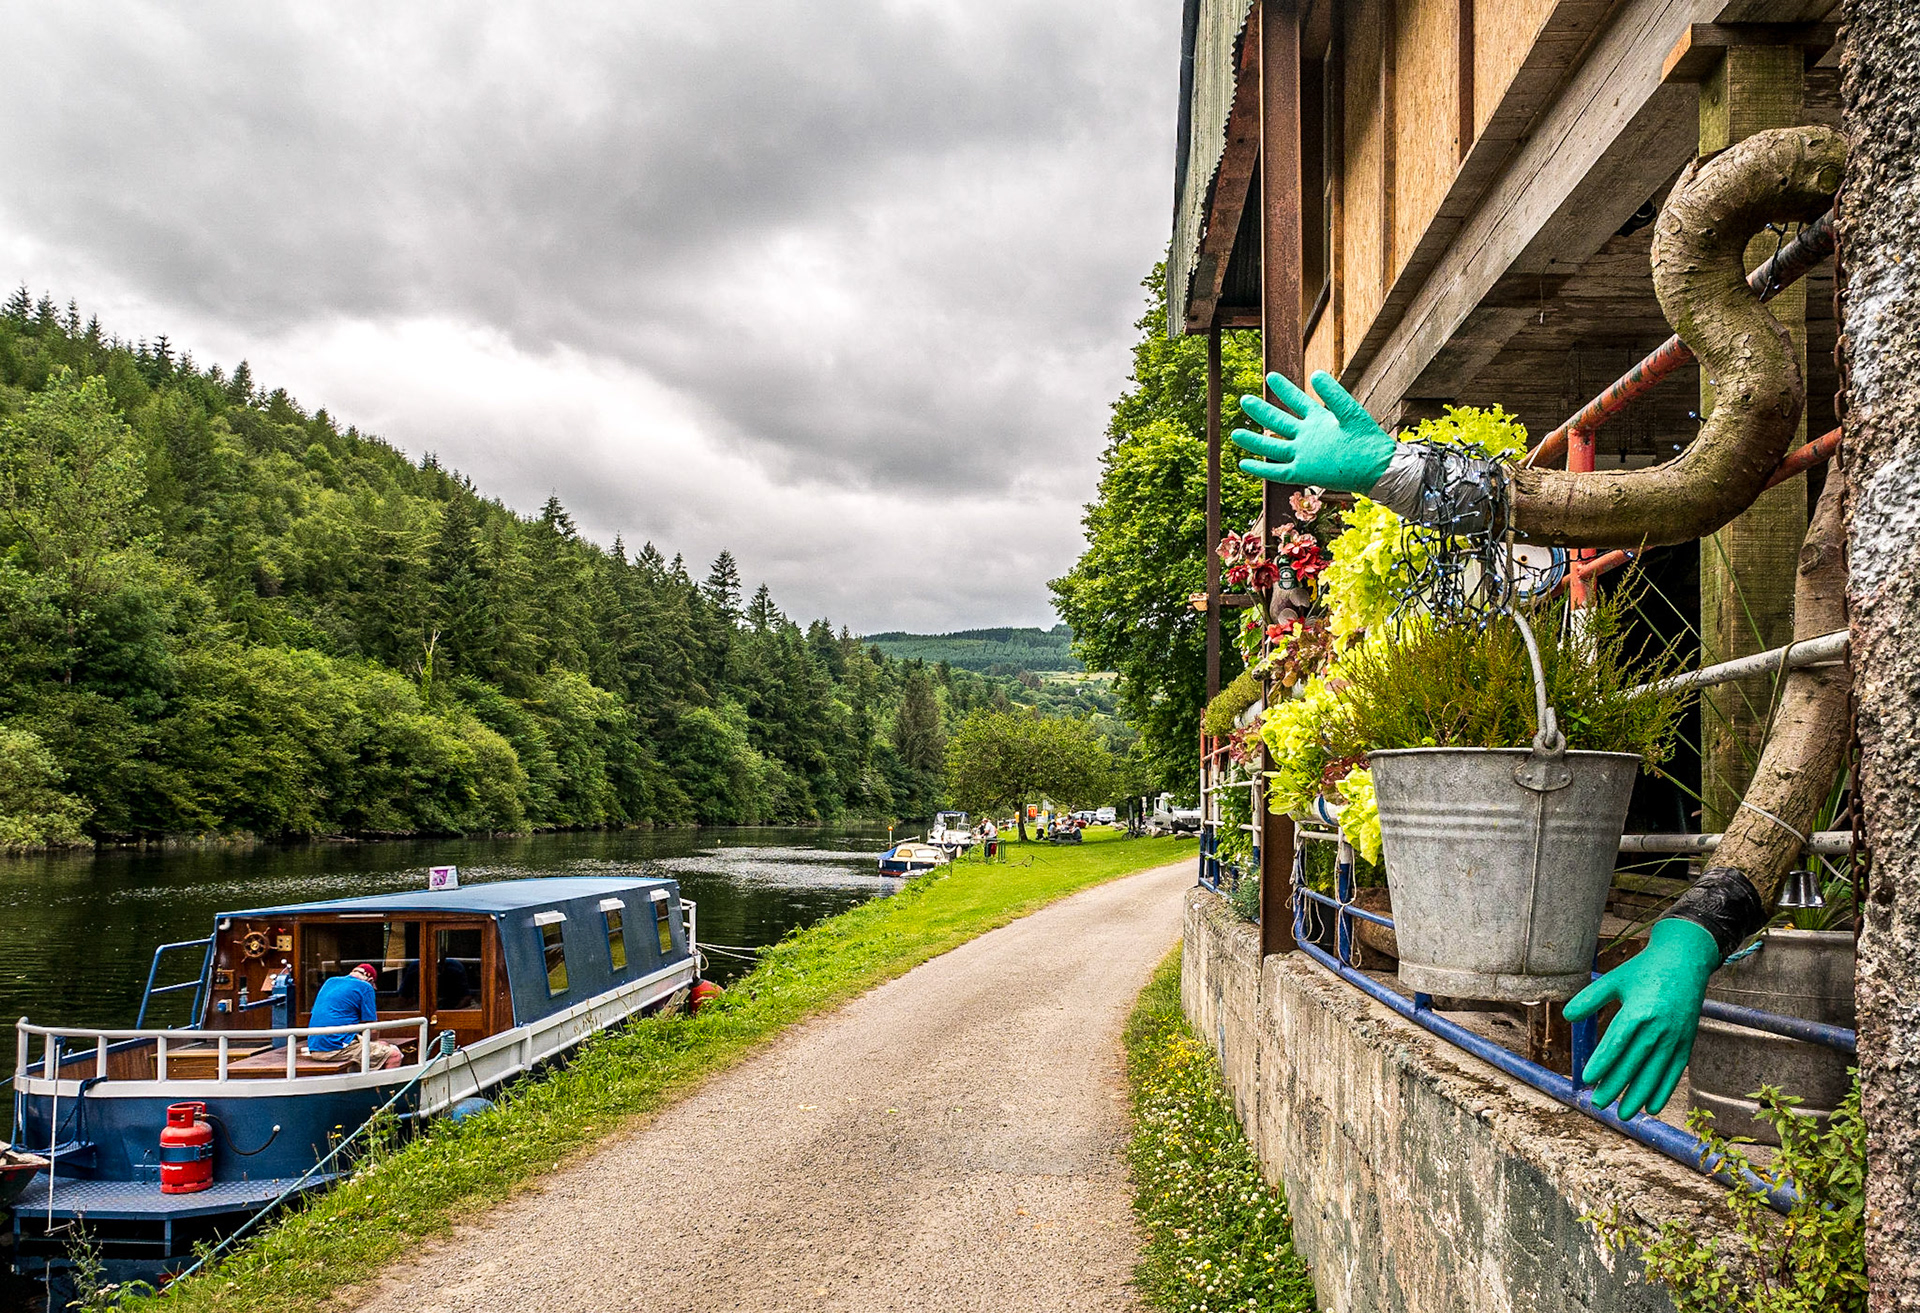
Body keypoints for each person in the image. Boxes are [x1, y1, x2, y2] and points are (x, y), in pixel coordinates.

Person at [305, 963, 402, 1069]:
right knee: (394, 1055)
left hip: (315, 1047)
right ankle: (383, 1086)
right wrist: (376, 1042)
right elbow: (372, 1030)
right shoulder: (365, 987)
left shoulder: (330, 982)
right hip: (335, 1048)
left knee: (374, 1049)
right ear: (369, 979)